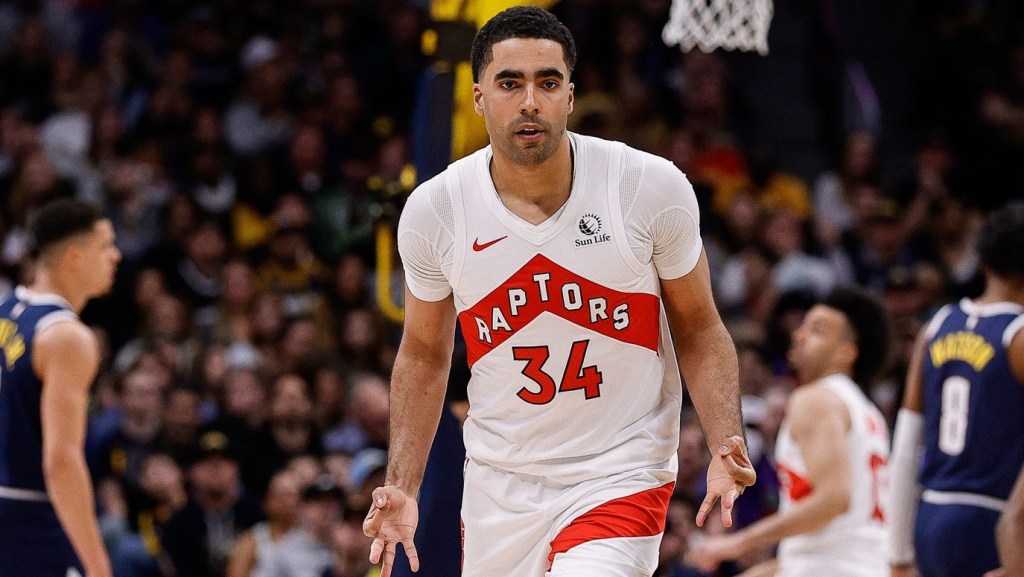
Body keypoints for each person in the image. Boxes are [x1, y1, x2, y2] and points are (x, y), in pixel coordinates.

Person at [362, 6, 755, 577]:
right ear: (477, 98)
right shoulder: (436, 210)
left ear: (570, 96)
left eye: (548, 83)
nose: (529, 101)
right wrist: (402, 484)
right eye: (509, 83)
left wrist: (724, 440)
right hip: (502, 483)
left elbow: (698, 325)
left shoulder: (648, 187)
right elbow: (423, 355)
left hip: (619, 470)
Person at [692, 287, 893, 576]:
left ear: (846, 353)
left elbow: (835, 499)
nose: (799, 335)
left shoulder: (815, 399)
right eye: (803, 326)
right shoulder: (867, 413)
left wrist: (737, 543)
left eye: (817, 331)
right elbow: (828, 544)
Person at [888, 202, 1024, 577]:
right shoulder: (1018, 335)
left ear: (981, 259)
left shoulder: (937, 325)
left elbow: (906, 446)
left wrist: (897, 553)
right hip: (996, 519)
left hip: (931, 516)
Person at [0, 198, 121, 577]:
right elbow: (61, 462)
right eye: (105, 246)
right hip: (33, 521)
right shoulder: (68, 338)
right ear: (74, 257)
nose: (115, 256)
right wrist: (97, 563)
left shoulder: (7, 311)